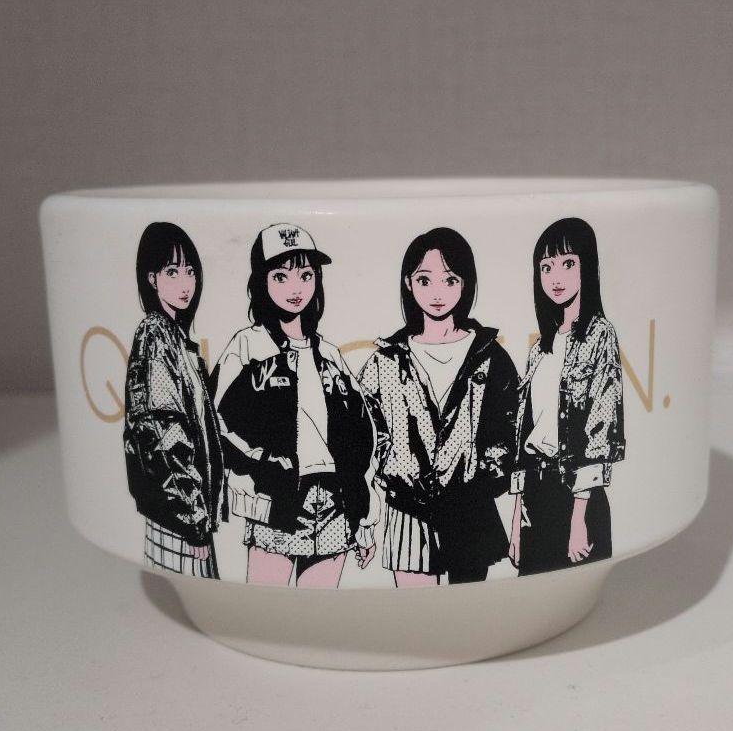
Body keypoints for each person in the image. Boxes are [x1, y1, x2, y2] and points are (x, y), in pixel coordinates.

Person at [214, 223, 377, 588]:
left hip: (334, 504)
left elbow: (360, 436)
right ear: (261, 281)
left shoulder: (330, 355)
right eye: (281, 276)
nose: (295, 288)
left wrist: (362, 512)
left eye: (306, 275)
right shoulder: (249, 347)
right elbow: (217, 424)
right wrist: (264, 465)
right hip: (277, 501)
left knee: (320, 610)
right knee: (265, 607)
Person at [358, 228, 519, 586]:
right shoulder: (386, 360)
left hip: (470, 509)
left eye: (450, 280)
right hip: (408, 511)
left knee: (467, 613)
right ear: (408, 283)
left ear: (465, 284)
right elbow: (363, 430)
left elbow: (510, 425)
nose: (437, 293)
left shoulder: (489, 356)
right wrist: (394, 470)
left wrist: (481, 476)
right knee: (416, 613)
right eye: (424, 280)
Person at [508, 217, 626, 574]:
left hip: (576, 494)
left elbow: (600, 428)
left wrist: (579, 519)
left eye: (568, 263)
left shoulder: (600, 335)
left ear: (587, 266)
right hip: (536, 494)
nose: (555, 277)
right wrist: (516, 518)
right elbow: (524, 437)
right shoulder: (539, 349)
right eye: (546, 267)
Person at [123, 221, 227, 579]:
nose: (185, 284)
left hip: (182, 514)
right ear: (152, 279)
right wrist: (193, 519)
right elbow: (164, 434)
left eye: (190, 271)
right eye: (172, 271)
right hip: (178, 518)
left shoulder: (176, 339)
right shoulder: (156, 336)